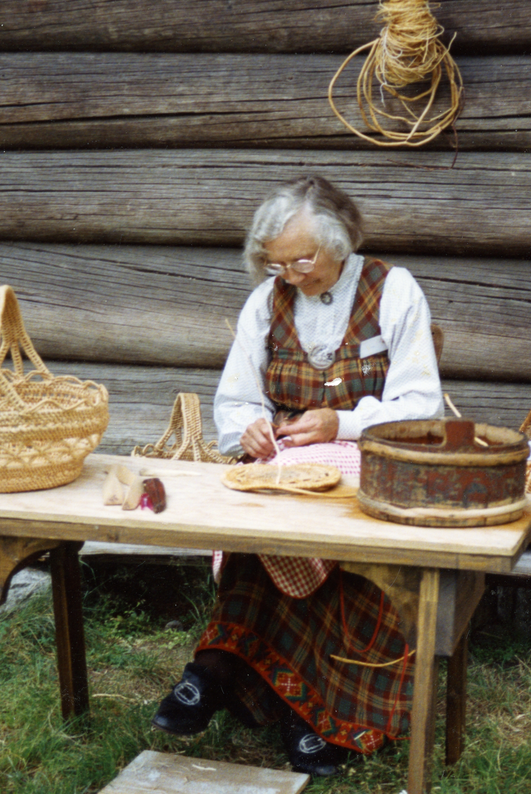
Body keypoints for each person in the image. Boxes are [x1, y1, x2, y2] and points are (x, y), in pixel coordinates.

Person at [151, 176, 443, 777]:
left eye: (301, 259)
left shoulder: (393, 290)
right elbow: (234, 399)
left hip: (371, 461)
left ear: (341, 243)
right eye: (276, 263)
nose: (289, 274)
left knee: (321, 528)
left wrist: (344, 423)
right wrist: (251, 427)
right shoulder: (266, 300)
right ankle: (288, 706)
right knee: (263, 514)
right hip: (280, 464)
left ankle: (226, 673)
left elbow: (422, 405)